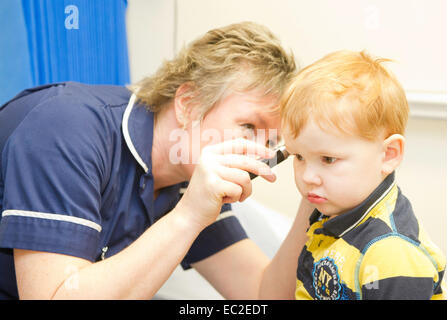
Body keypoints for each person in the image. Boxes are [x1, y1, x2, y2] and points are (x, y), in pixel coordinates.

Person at [0, 21, 302, 299]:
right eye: (249, 127)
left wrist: (316, 194)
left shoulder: (189, 177)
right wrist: (188, 216)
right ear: (188, 105)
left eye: (270, 142)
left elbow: (261, 294)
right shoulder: (68, 127)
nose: (259, 154)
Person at [279, 50, 446, 299]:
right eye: (299, 157)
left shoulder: (390, 252)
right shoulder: (339, 212)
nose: (307, 176)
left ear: (389, 154)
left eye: (328, 159)